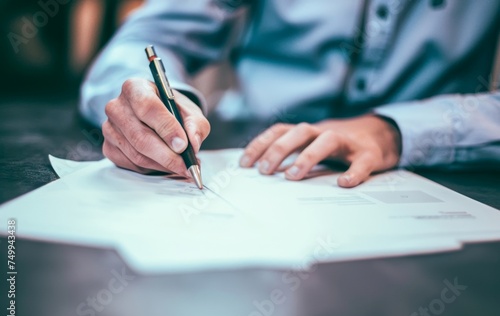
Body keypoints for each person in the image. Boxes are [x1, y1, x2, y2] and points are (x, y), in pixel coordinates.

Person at [80, 0, 500, 188]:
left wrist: (394, 131)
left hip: (430, 173)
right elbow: (146, 38)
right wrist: (148, 103)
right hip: (242, 151)